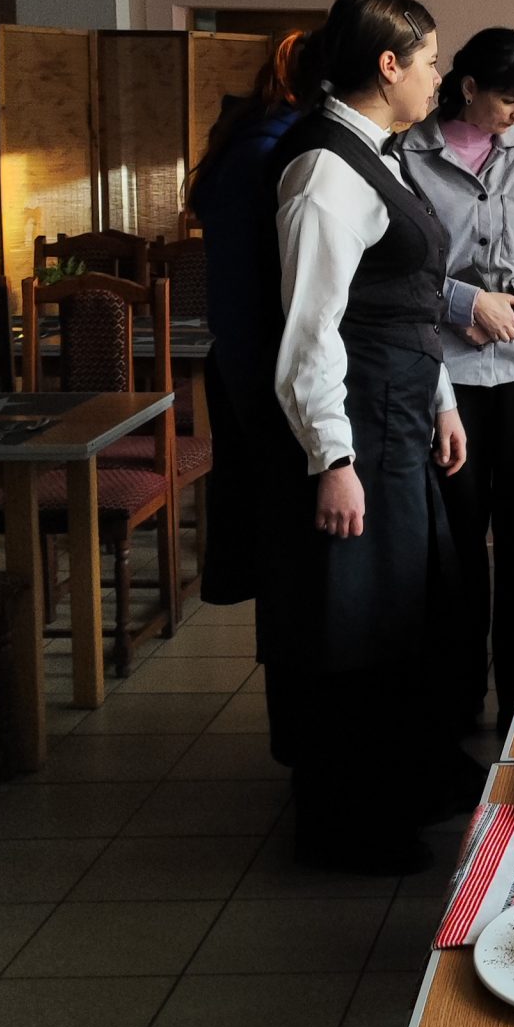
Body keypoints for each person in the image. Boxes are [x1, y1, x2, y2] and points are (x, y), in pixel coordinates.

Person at [256, 0, 469, 876]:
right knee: (358, 621)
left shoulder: (376, 150)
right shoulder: (323, 172)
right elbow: (310, 331)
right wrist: (331, 458)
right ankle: (349, 822)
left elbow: (406, 301)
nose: (437, 77)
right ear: (388, 66)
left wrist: (443, 399)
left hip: (399, 413)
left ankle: (412, 780)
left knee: (411, 608)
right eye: (430, 61)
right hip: (359, 428)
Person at [402, 26, 514, 733]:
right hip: (449, 381)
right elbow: (396, 268)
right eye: (510, 98)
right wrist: (463, 304)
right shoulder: (409, 157)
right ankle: (455, 699)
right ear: (468, 86)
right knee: (454, 539)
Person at [187, 33, 302, 605]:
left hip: (237, 351)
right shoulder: (277, 153)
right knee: (280, 528)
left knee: (260, 518)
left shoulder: (245, 135)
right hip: (266, 356)